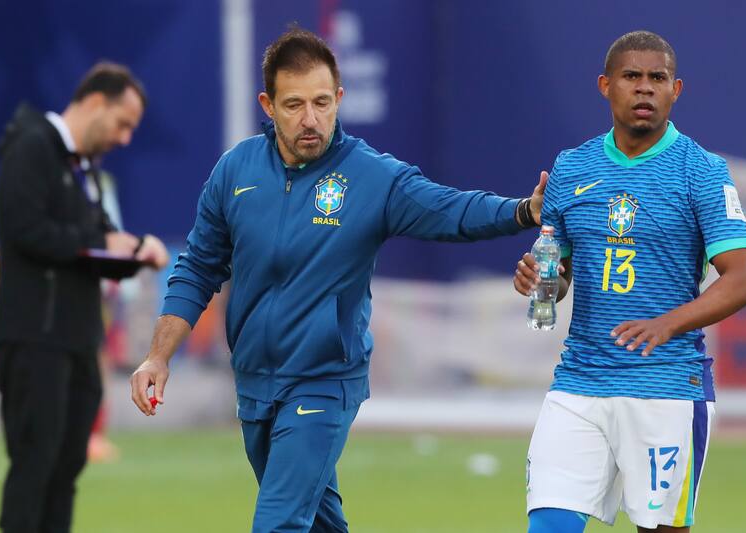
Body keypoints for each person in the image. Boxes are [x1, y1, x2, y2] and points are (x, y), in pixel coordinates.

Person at [130, 27, 546, 533]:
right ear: (268, 105)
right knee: (320, 523)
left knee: (278, 523)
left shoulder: (371, 176)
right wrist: (158, 356)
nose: (311, 119)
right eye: (294, 105)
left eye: (322, 102)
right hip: (255, 383)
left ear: (339, 99)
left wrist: (523, 211)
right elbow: (197, 267)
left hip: (324, 381)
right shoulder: (235, 170)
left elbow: (451, 209)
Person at [513, 31, 746, 533]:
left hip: (666, 387)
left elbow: (742, 279)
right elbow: (557, 276)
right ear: (606, 85)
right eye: (631, 76)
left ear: (676, 90)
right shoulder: (571, 167)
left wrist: (667, 323)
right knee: (549, 524)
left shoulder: (702, 171)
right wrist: (540, 279)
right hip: (579, 382)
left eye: (657, 78)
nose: (644, 87)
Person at [0, 61, 169, 533]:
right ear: (94, 102)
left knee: (66, 470)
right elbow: (24, 229)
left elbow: (98, 242)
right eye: (122, 124)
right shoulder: (31, 146)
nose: (124, 138)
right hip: (35, 338)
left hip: (77, 340)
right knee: (35, 467)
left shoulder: (84, 166)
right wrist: (99, 242)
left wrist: (134, 251)